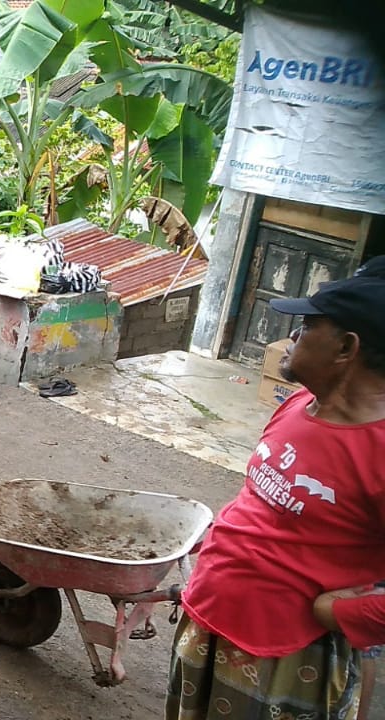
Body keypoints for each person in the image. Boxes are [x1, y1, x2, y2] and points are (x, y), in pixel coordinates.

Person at [164, 272, 385, 719]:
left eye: (307, 327)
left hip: (286, 656)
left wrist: (350, 615)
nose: (291, 336)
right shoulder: (298, 404)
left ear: (346, 348)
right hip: (210, 621)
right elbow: (261, 500)